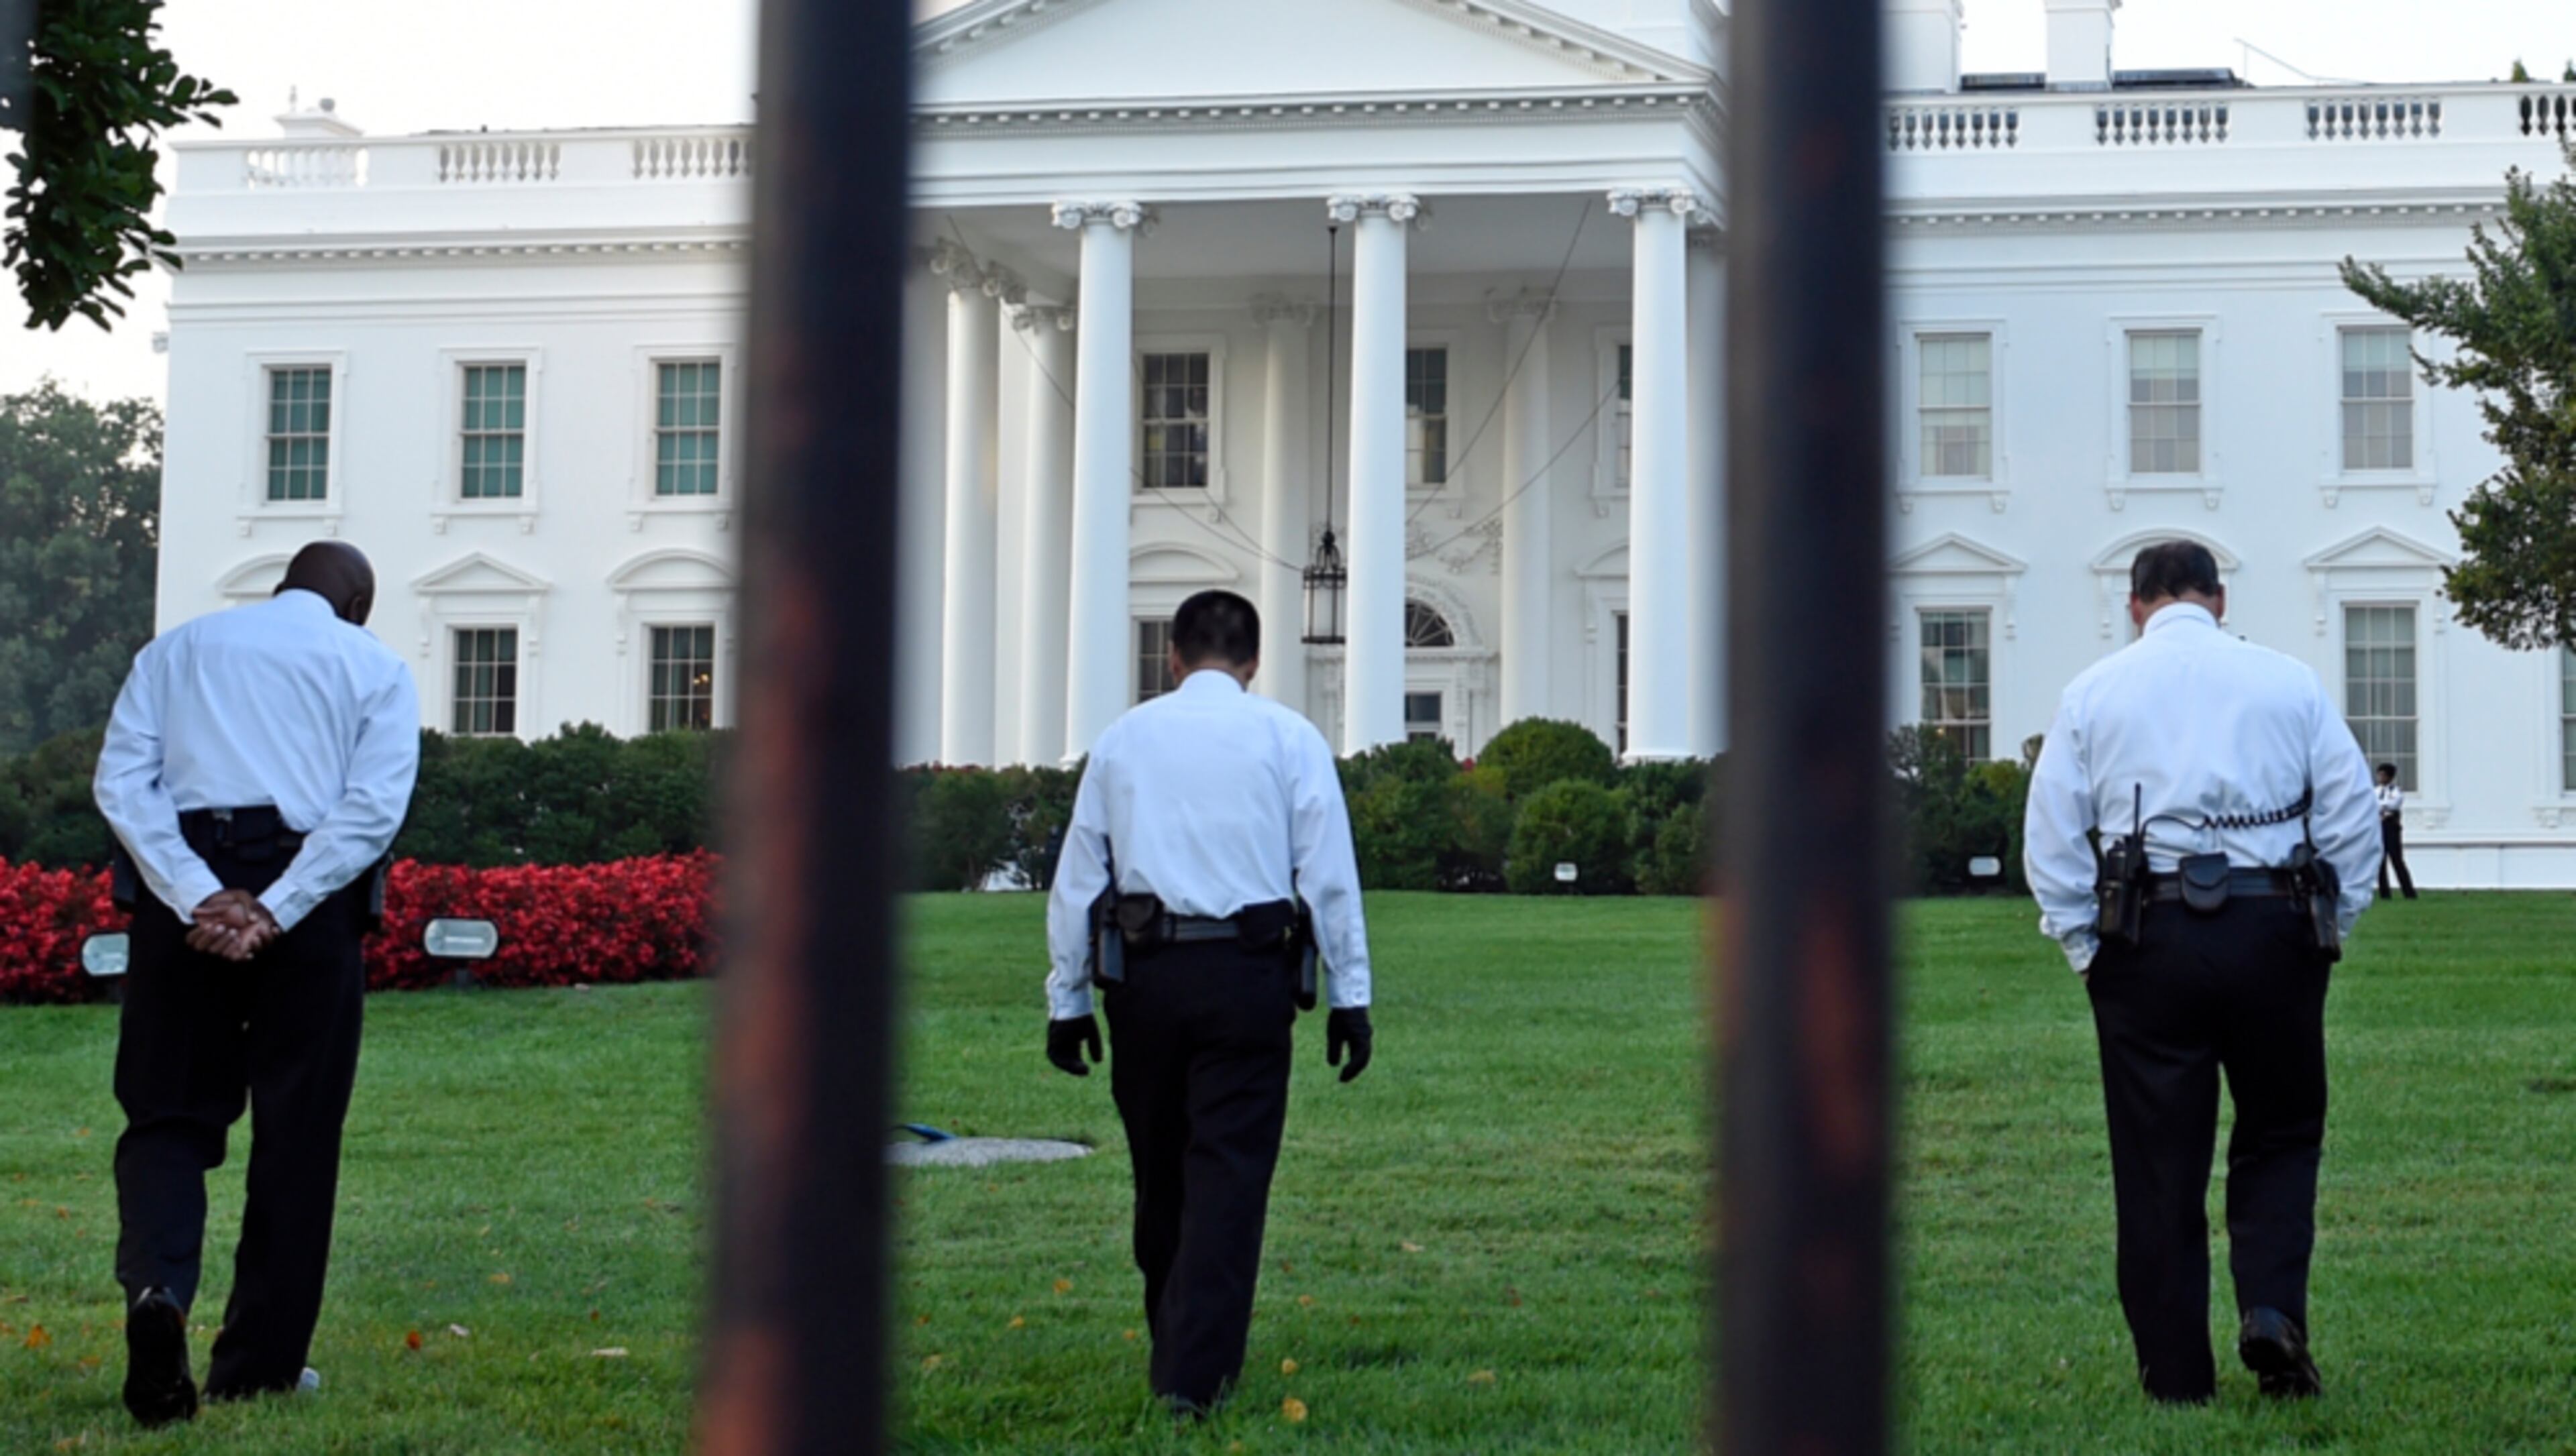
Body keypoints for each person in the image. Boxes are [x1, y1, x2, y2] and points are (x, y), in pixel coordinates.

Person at [2023, 541, 2378, 1405]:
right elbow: (2349, 810)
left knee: (2156, 1160)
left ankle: (2177, 1375)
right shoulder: (2289, 681)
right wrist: (2330, 923)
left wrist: (2086, 948)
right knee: (2282, 1132)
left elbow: (2054, 836)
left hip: (2149, 934)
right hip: (2274, 926)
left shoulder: (2094, 691)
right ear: (2218, 599)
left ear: (2136, 604)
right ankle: (2269, 1310)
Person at [91, 541, 420, 1428]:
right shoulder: (373, 665)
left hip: (184, 896)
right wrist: (276, 905)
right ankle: (259, 1365)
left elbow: (122, 783)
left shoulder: (175, 651)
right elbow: (370, 809)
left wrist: (201, 893)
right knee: (298, 1131)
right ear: (357, 600)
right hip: (306, 902)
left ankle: (156, 1292)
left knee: (165, 1114)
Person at [1042, 588, 1374, 1416]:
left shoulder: (1122, 741)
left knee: (1160, 1174)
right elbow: (1328, 877)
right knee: (1228, 1175)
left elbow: (1078, 881)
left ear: (1174, 658)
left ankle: (1178, 1346)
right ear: (1254, 661)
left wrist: (1068, 1001)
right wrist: (1350, 997)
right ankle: (1193, 1373)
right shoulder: (1289, 738)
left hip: (1146, 978)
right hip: (1249, 976)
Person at [2374, 763, 2417, 900]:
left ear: (2390, 777)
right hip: (2379, 827)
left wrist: (2382, 806)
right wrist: (2383, 807)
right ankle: (2384, 893)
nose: (2380, 777)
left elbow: (2394, 804)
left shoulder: (2396, 791)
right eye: (2379, 774)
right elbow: (2373, 804)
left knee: (2397, 860)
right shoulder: (2375, 791)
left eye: (2383, 775)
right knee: (2380, 862)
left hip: (2391, 828)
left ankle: (2409, 892)